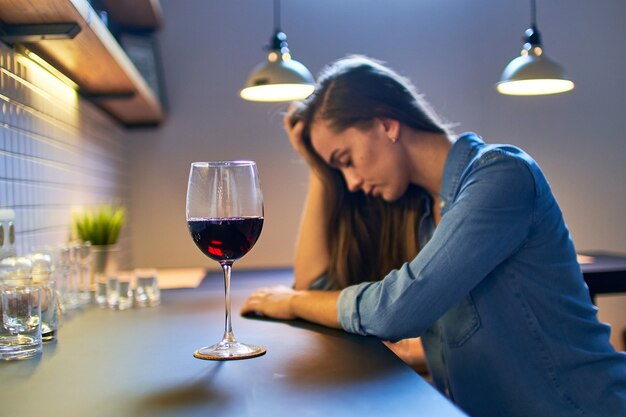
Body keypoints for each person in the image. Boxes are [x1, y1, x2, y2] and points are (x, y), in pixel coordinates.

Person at [241, 55, 626, 417]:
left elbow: (392, 310)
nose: (352, 182)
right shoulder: (421, 213)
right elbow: (316, 285)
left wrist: (291, 302)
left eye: (346, 160)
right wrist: (318, 168)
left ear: (386, 124)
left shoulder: (501, 175)